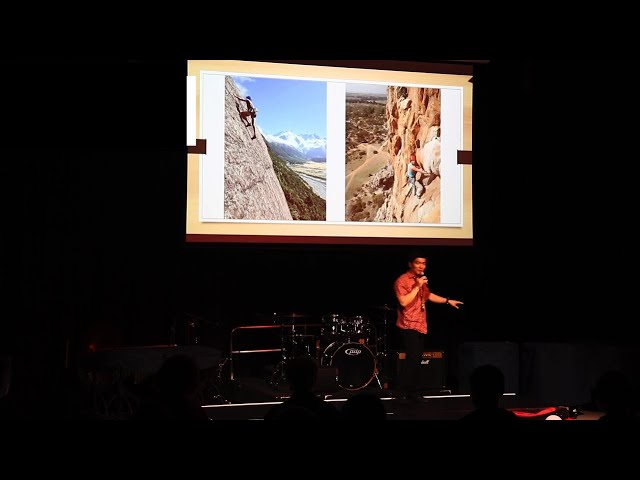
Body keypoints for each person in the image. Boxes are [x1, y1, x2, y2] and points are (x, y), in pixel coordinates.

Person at [393, 251, 463, 402]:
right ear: (410, 264)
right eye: (418, 263)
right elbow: (404, 302)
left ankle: (409, 393)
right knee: (413, 359)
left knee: (416, 360)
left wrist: (447, 301)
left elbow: (428, 296)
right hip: (408, 324)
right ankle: (402, 393)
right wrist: (417, 286)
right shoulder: (402, 281)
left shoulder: (421, 281)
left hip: (421, 324)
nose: (421, 266)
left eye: (423, 263)